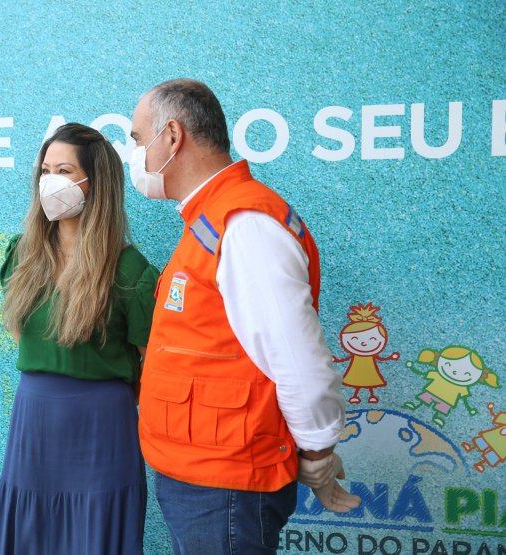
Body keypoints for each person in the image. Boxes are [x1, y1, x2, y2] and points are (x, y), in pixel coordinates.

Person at [129, 79, 360, 555]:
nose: (135, 154)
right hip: (203, 477)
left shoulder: (244, 224)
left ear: (171, 136)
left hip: (226, 485)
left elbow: (298, 360)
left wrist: (317, 455)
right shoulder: (211, 219)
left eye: (137, 139)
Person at [0, 123, 160, 554]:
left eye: (64, 171)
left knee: (96, 535)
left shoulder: (130, 270)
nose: (50, 181)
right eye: (45, 170)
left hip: (103, 428)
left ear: (96, 183)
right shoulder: (22, 255)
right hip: (34, 420)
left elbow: (155, 366)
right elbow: (25, 335)